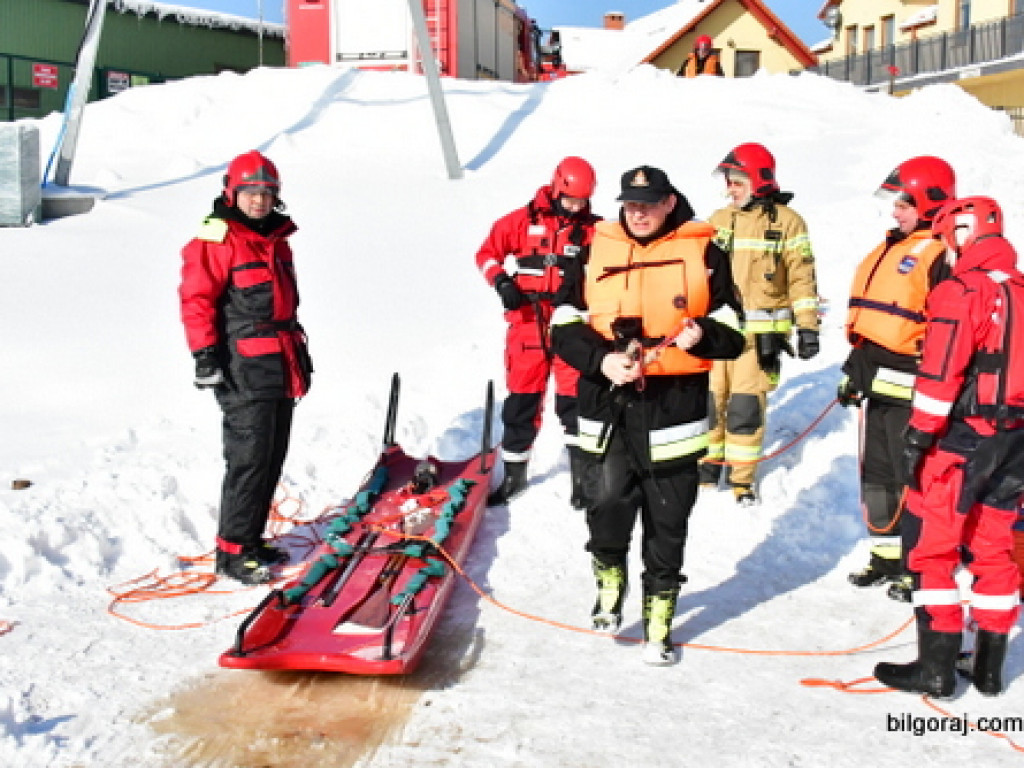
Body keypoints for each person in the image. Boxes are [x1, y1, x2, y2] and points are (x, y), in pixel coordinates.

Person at [551, 166, 744, 665]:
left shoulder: (705, 251)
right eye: (630, 204)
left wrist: (703, 334)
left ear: (668, 203)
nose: (637, 213)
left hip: (673, 409)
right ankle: (609, 575)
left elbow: (733, 327)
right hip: (610, 401)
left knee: (669, 520)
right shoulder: (594, 247)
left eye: (648, 204)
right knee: (608, 500)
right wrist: (600, 359)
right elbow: (563, 321)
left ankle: (660, 616)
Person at [874, 196, 1024, 698]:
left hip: (963, 438)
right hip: (1016, 441)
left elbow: (940, 374)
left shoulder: (962, 291)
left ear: (963, 232)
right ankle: (987, 669)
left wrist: (918, 435)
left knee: (933, 548)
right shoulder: (1022, 290)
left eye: (949, 237)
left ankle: (935, 669)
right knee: (994, 546)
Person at [179, 150, 312, 586]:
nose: (259, 201)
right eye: (250, 192)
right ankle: (232, 553)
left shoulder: (275, 239)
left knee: (272, 455)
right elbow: (197, 299)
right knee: (249, 458)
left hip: (279, 359)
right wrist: (205, 354)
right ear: (231, 193)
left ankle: (251, 541)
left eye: (266, 193)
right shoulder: (217, 239)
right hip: (242, 365)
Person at [840, 157, 956, 602]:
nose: (896, 211)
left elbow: (946, 332)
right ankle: (886, 557)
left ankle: (916, 565)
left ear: (931, 203)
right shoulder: (893, 247)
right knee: (879, 475)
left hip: (913, 393)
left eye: (905, 202)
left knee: (914, 479)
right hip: (877, 387)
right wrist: (855, 370)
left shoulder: (939, 256)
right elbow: (874, 322)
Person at [475, 156, 601, 508]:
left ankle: (583, 478)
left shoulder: (594, 229)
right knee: (522, 400)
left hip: (571, 322)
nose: (576, 207)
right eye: (571, 199)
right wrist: (500, 281)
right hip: (527, 320)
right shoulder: (520, 221)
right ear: (557, 187)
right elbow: (486, 253)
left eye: (583, 201)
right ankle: (514, 477)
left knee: (576, 399)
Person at [701, 143, 820, 505]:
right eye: (728, 183)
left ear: (759, 180)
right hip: (719, 334)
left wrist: (808, 327)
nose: (729, 190)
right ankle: (707, 471)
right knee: (709, 402)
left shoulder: (787, 222)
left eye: (736, 182)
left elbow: (802, 279)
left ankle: (742, 481)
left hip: (759, 340)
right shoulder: (718, 221)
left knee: (744, 409)